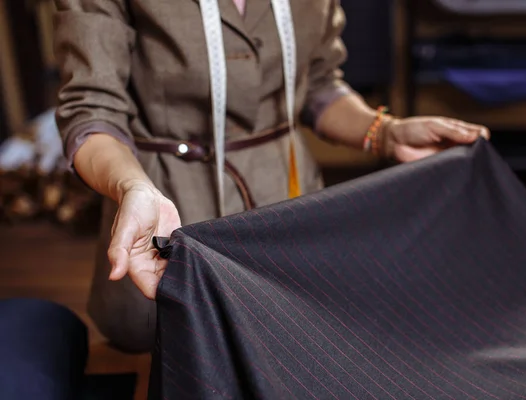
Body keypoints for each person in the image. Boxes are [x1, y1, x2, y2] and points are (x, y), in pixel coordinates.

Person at [53, 0, 490, 353]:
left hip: (289, 205)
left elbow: (317, 84)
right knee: (168, 344)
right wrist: (133, 186)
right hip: (168, 214)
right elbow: (92, 113)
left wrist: (387, 133)